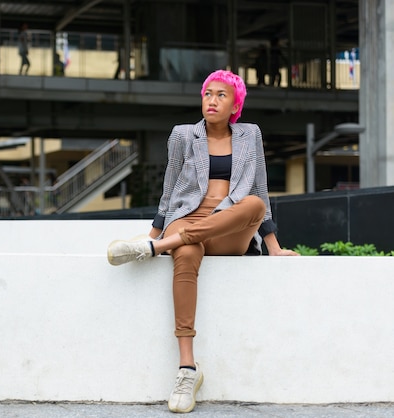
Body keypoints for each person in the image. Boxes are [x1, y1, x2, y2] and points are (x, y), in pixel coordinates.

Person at [106, 69, 299, 414]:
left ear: (235, 104)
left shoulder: (249, 135)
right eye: (208, 93)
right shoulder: (183, 135)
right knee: (186, 253)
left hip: (230, 226)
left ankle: (158, 249)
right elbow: (169, 190)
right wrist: (154, 232)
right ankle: (186, 370)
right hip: (188, 217)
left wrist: (273, 246)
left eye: (221, 95)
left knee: (251, 205)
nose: (212, 100)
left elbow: (260, 191)